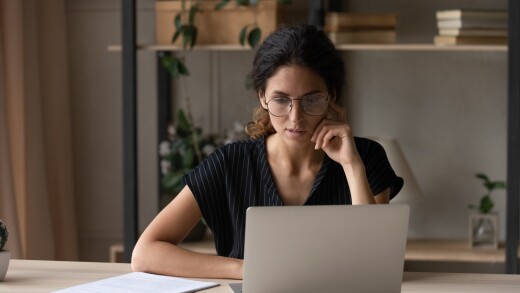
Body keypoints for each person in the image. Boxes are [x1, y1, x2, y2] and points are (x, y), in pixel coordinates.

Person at [131, 23, 403, 280]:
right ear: (262, 95)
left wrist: (351, 165)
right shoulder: (230, 162)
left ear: (331, 96)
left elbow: (375, 263)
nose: (295, 118)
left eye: (311, 100)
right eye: (281, 100)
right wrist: (249, 269)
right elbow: (145, 254)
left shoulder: (366, 157)